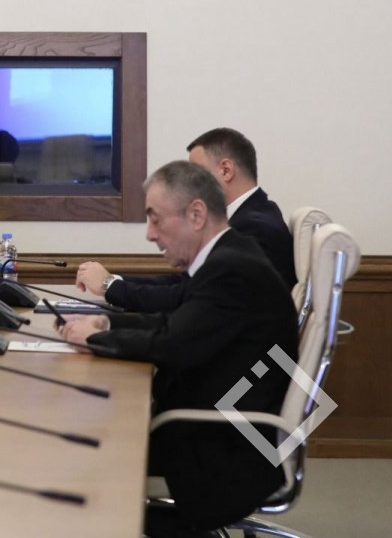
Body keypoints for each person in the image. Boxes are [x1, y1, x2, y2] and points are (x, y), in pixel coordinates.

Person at [59, 161, 298, 536]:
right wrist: (107, 324)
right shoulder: (229, 254)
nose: (149, 235)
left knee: (89, 452)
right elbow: (176, 323)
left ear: (196, 215)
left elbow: (173, 345)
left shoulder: (231, 268)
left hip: (226, 452)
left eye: (155, 219)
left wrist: (93, 339)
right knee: (89, 436)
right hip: (226, 431)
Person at [75, 127, 295, 312]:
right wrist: (114, 280)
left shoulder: (254, 228)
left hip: (266, 353)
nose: (191, 187)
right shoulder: (251, 216)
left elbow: (187, 298)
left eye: (198, 175)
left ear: (226, 170)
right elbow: (187, 283)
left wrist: (109, 286)